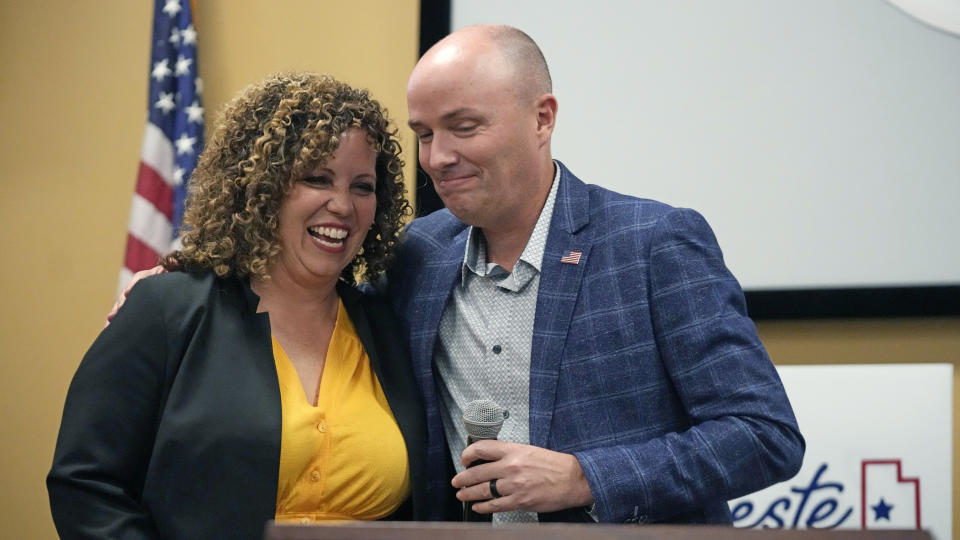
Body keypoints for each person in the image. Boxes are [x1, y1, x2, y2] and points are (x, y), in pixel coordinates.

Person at [387, 24, 805, 524]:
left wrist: (583, 478)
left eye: (465, 127)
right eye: (425, 135)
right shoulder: (418, 256)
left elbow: (763, 433)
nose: (438, 158)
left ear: (542, 119)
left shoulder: (654, 242)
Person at [48, 72, 437, 540]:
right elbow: (86, 485)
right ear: (260, 185)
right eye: (317, 179)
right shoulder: (167, 309)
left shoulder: (386, 324)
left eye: (362, 186)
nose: (342, 205)